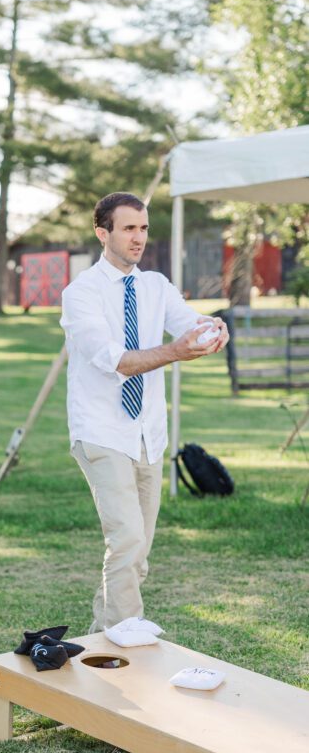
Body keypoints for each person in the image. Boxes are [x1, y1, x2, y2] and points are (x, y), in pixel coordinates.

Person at [60, 192, 229, 632]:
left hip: (148, 434)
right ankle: (126, 639)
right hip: (100, 432)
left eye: (144, 228)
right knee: (127, 538)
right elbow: (118, 361)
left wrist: (212, 329)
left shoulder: (155, 285)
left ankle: (103, 639)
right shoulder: (81, 294)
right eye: (129, 228)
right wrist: (175, 352)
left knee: (137, 550)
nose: (139, 238)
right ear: (104, 233)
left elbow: (189, 324)